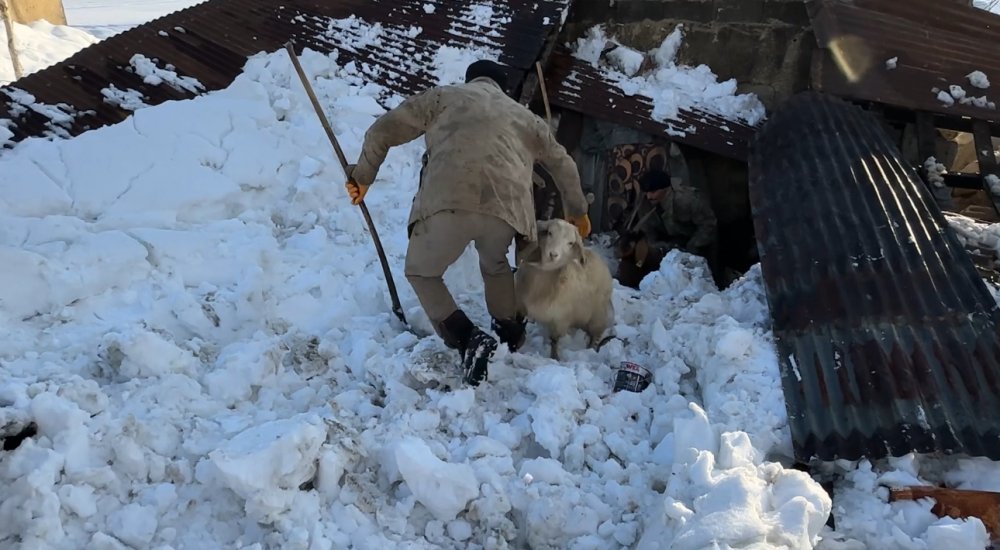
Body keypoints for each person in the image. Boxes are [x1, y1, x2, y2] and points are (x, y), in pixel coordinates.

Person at [344, 60, 590, 386]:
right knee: (496, 264)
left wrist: (362, 177)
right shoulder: (525, 117)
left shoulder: (443, 97)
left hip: (449, 200)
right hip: (508, 210)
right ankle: (509, 330)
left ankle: (467, 338)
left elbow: (383, 131)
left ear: (470, 80)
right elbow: (563, 164)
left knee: (422, 272)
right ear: (502, 88)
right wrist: (577, 211)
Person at [615, 167, 717, 287]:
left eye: (653, 191)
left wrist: (692, 247)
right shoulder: (645, 202)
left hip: (697, 242)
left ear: (666, 189)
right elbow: (648, 230)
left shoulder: (686, 200)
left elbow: (708, 224)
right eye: (647, 192)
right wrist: (656, 247)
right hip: (670, 242)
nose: (649, 196)